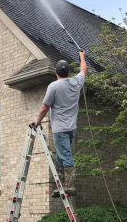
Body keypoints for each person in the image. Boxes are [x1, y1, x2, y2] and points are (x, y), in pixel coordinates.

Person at [30, 51, 87, 197]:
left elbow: (45, 107)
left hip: (60, 129)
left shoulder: (54, 86)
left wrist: (37, 122)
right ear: (68, 72)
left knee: (65, 155)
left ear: (56, 72)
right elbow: (83, 70)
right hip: (71, 128)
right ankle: (60, 187)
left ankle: (70, 186)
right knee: (60, 156)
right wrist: (82, 56)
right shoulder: (76, 81)